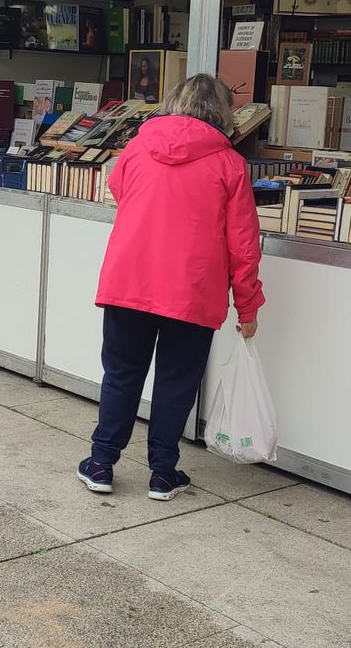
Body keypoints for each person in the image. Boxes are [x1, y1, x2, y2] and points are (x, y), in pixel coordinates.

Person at [79, 74, 264, 501]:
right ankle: (162, 474)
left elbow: (118, 188)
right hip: (193, 288)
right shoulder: (229, 163)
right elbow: (243, 244)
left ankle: (102, 463)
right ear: (223, 112)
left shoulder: (138, 145)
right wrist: (248, 307)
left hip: (131, 280)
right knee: (176, 382)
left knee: (121, 374)